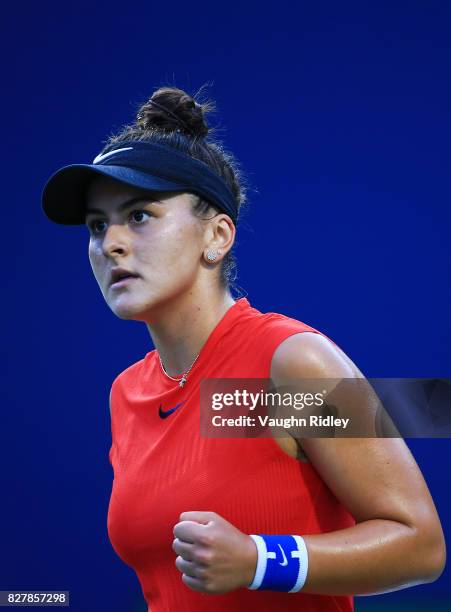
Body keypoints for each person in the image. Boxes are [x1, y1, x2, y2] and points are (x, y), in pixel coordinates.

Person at [42, 86, 446, 612]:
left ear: (217, 235)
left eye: (139, 215)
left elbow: (420, 545)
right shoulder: (126, 393)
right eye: (98, 226)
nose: (110, 242)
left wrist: (259, 559)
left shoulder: (292, 364)